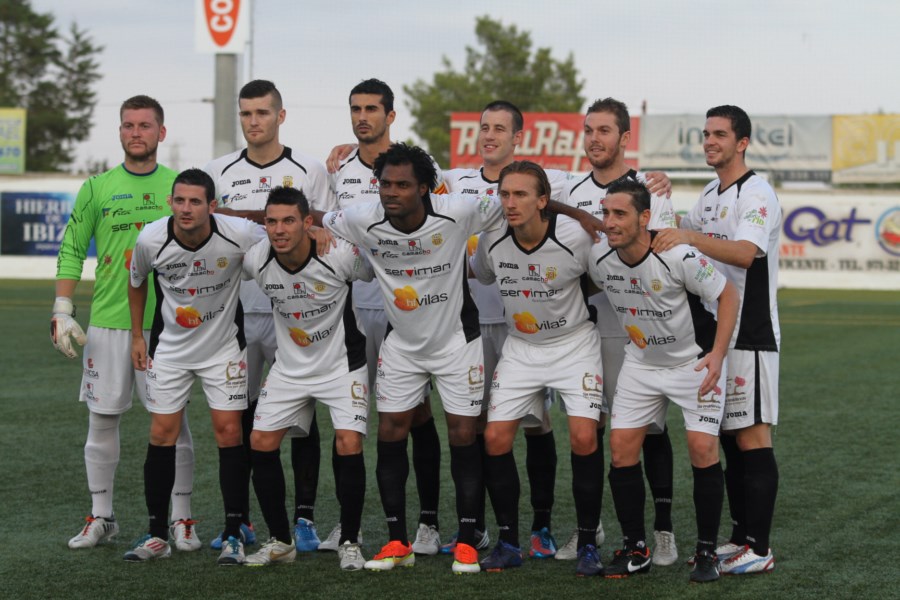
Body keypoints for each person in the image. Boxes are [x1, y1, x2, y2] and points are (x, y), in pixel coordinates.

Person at [318, 142, 508, 575]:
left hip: (456, 341)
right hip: (402, 344)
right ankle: (397, 541)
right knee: (390, 431)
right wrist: (316, 230)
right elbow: (322, 220)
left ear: (424, 188)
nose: (391, 192)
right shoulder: (361, 217)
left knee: (463, 434)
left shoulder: (459, 210)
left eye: (402, 185)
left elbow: (521, 202)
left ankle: (466, 540)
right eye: (385, 184)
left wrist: (585, 219)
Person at [54, 95, 198, 552]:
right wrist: (62, 308)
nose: (136, 133)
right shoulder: (97, 187)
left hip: (169, 326)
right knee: (102, 419)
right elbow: (72, 247)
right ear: (120, 132)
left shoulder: (180, 186)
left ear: (161, 132)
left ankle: (181, 519)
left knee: (174, 423)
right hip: (108, 322)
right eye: (128, 125)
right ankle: (102, 516)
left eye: (145, 125)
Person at [204, 79, 334, 551]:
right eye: (246, 113)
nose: (253, 121)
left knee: (302, 417)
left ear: (280, 116)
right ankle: (239, 521)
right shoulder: (218, 170)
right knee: (237, 417)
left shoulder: (309, 169)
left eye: (262, 112)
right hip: (236, 313)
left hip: (295, 315)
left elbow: (326, 228)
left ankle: (304, 519)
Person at [652, 105, 782, 575]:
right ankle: (740, 538)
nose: (709, 141)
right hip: (716, 332)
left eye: (720, 134)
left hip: (751, 333)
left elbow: (746, 253)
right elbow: (676, 235)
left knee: (753, 437)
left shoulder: (757, 192)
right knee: (729, 435)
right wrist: (663, 195)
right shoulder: (710, 192)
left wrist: (688, 235)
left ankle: (760, 549)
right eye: (706, 134)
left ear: (741, 143)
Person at [588, 179, 738, 582]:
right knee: (621, 449)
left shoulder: (677, 255)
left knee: (702, 449)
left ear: (645, 218)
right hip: (641, 364)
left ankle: (705, 552)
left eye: (620, 214)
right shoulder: (599, 257)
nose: (609, 222)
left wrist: (718, 355)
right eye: (606, 213)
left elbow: (727, 295)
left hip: (694, 363)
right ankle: (636, 549)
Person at [443, 100, 572, 559]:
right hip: (470, 324)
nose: (489, 135)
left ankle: (541, 526)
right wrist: (348, 151)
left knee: (535, 424)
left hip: (525, 327)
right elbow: (401, 175)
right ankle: (478, 526)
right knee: (478, 425)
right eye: (484, 127)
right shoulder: (454, 180)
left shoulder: (546, 179)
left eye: (499, 128)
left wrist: (654, 180)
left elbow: (604, 185)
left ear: (518, 137)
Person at [556, 97, 679, 565]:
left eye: (604, 130)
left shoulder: (651, 190)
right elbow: (499, 178)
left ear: (625, 137)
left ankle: (663, 530)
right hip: (586, 331)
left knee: (650, 430)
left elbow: (662, 259)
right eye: (588, 130)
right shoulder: (568, 189)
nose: (594, 139)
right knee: (589, 428)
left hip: (641, 332)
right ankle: (589, 529)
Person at [326, 79, 445, 556]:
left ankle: (429, 523)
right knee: (348, 416)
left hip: (407, 309)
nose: (363, 117)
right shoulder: (338, 167)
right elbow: (327, 228)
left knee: (415, 414)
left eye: (372, 109)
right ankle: (348, 525)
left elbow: (441, 222)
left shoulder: (417, 166)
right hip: (350, 307)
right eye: (356, 109)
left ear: (390, 116)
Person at [470, 161, 605, 577]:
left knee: (584, 437)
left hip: (574, 345)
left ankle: (588, 544)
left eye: (521, 194)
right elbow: (482, 275)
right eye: (505, 194)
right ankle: (509, 543)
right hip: (522, 347)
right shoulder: (492, 239)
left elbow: (601, 277)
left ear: (543, 200)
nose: (510, 203)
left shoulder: (575, 237)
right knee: (495, 438)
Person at [124, 168, 265, 564]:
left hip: (223, 349)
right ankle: (156, 534)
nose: (186, 209)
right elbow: (135, 281)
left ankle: (234, 533)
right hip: (170, 349)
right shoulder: (151, 239)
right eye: (180, 200)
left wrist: (317, 232)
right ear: (170, 202)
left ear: (212, 206)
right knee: (161, 434)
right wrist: (137, 336)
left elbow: (280, 236)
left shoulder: (240, 233)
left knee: (229, 433)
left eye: (195, 201)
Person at [241, 187, 373, 571]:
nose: (279, 229)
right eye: (272, 221)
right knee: (260, 442)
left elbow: (371, 267)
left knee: (348, 442)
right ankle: (282, 541)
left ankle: (350, 541)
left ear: (307, 222)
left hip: (342, 365)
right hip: (289, 367)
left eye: (289, 221)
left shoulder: (338, 255)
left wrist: (336, 234)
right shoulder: (257, 259)